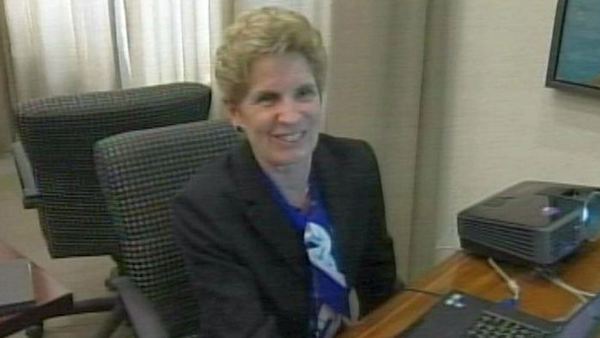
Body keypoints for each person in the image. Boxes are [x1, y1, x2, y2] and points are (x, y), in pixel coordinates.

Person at [172, 7, 398, 338]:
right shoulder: (204, 207)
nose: (290, 116)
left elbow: (380, 283)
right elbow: (246, 331)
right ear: (236, 113)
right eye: (267, 99)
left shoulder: (356, 164)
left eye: (303, 93)